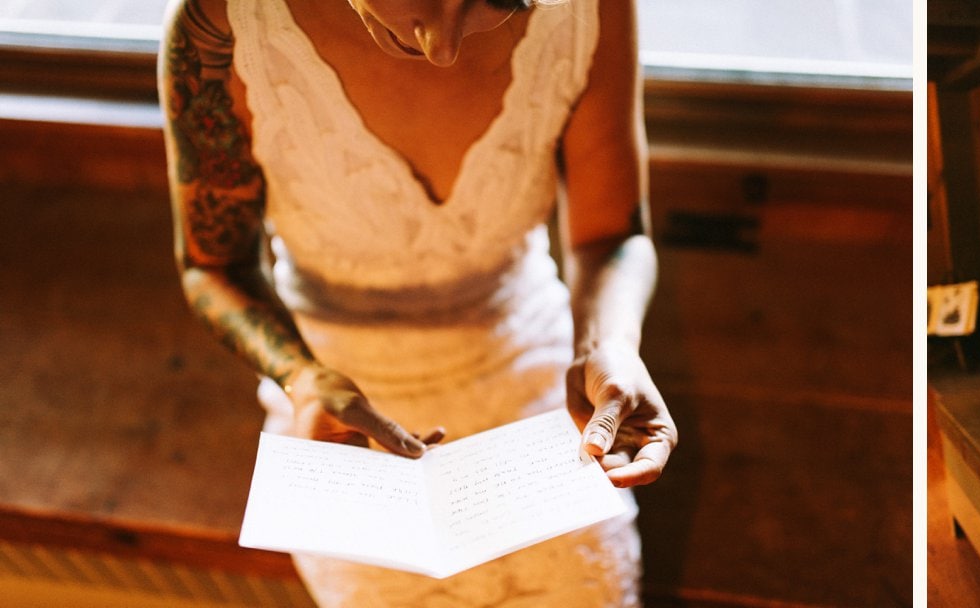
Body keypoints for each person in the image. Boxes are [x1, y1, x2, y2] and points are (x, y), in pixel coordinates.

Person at [158, 0, 673, 605]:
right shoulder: (222, 22)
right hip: (337, 410)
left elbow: (610, 236)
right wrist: (301, 378)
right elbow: (213, 264)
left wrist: (606, 345)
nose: (442, 46)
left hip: (537, 377)